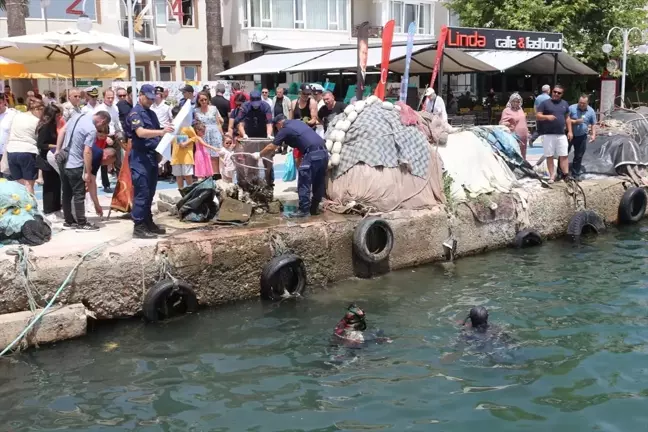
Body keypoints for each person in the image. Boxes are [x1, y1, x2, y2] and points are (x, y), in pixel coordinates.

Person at [128, 84, 174, 238]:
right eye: (147, 98)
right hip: (140, 158)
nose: (150, 101)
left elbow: (157, 136)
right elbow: (140, 133)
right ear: (140, 95)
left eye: (152, 98)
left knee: (150, 192)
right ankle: (139, 225)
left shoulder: (152, 114)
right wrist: (161, 132)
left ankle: (148, 221)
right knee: (141, 192)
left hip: (152, 157)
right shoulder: (135, 113)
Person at [261, 114, 328, 217]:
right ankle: (314, 209)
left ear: (279, 124)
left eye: (276, 127)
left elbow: (272, 146)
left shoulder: (285, 129)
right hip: (324, 152)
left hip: (312, 153)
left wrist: (259, 154)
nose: (277, 129)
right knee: (318, 182)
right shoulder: (298, 123)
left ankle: (303, 211)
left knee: (304, 182)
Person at [56, 110, 111, 231]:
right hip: (76, 162)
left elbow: (62, 131)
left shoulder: (76, 116)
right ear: (102, 121)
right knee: (79, 194)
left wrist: (58, 150)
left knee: (66, 192)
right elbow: (87, 151)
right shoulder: (91, 129)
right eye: (103, 126)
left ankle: (69, 221)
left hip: (63, 159)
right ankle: (81, 222)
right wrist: (87, 170)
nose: (101, 129)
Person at [5, 98, 44, 194]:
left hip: (12, 151)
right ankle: (30, 207)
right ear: (37, 109)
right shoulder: (37, 121)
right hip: (27, 151)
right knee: (29, 184)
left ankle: (22, 205)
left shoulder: (17, 116)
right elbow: (40, 139)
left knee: (19, 184)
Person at [536, 84, 571, 183]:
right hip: (548, 134)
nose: (556, 94)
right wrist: (547, 117)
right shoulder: (545, 103)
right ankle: (552, 176)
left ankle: (566, 175)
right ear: (552, 92)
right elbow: (538, 116)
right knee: (549, 155)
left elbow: (567, 118)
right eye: (554, 92)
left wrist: (570, 131)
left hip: (561, 134)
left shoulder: (565, 103)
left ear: (562, 94)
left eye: (559, 93)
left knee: (564, 154)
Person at [36, 104, 63, 220]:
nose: (59, 117)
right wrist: (57, 146)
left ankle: (56, 207)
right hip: (46, 159)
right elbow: (41, 144)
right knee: (49, 186)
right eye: (57, 115)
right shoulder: (46, 126)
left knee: (57, 184)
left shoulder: (53, 125)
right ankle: (48, 209)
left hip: (53, 158)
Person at [195, 91, 224, 176]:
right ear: (198, 101)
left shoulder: (214, 108)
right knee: (205, 155)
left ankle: (216, 175)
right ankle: (207, 175)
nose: (204, 102)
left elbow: (218, 123)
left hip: (214, 133)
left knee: (215, 155)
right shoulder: (196, 111)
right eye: (201, 100)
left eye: (205, 99)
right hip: (203, 134)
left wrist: (222, 134)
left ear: (208, 99)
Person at [567, 95, 597, 179]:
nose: (581, 104)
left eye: (584, 103)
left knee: (579, 155)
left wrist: (593, 134)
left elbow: (593, 124)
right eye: (580, 103)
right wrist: (575, 121)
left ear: (587, 103)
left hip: (582, 136)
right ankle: (561, 173)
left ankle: (575, 174)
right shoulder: (572, 108)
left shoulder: (591, 111)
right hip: (570, 134)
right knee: (564, 154)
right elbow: (566, 119)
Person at [499, 93, 529, 160]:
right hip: (514, 136)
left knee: (523, 152)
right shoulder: (506, 110)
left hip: (524, 136)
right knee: (515, 152)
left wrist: (527, 132)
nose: (516, 103)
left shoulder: (520, 109)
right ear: (510, 101)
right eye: (514, 101)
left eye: (518, 101)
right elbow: (501, 123)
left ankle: (523, 166)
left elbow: (523, 121)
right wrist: (507, 124)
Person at [0, 95, 16, 177]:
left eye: (0, 103)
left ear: (4, 102)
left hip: (7, 153)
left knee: (9, 180)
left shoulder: (13, 114)